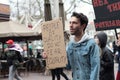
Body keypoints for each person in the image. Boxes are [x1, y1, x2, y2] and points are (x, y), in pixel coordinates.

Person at [66, 12, 100, 80]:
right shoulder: (70, 45)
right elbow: (68, 66)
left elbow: (95, 69)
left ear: (83, 26)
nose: (70, 25)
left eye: (74, 23)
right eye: (70, 22)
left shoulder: (91, 44)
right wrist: (50, 57)